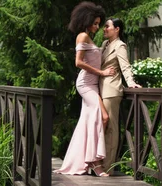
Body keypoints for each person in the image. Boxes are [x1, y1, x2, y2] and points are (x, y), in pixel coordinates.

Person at [53, 2, 116, 177]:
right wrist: (102, 72)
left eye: (98, 23)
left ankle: (89, 162)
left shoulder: (88, 38)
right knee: (103, 117)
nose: (97, 26)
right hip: (85, 84)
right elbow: (78, 62)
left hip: (93, 84)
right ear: (86, 21)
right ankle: (96, 163)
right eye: (95, 23)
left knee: (88, 121)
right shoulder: (82, 36)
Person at [99, 18, 142, 173]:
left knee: (111, 128)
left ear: (116, 29)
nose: (104, 29)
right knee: (101, 128)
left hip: (111, 91)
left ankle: (108, 167)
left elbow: (125, 66)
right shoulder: (104, 45)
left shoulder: (120, 45)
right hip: (99, 89)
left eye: (107, 27)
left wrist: (130, 82)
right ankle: (98, 164)